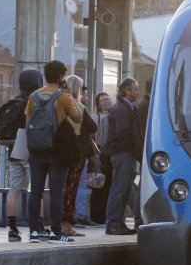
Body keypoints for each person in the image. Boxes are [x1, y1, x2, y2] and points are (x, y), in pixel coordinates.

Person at [25, 60, 82, 243]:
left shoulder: (33, 96)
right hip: (57, 150)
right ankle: (56, 233)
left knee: (36, 191)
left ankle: (34, 232)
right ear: (61, 77)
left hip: (36, 151)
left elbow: (27, 125)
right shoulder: (63, 97)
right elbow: (78, 117)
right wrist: (69, 95)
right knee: (57, 191)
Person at [0, 68, 44, 242]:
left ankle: (12, 228)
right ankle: (38, 226)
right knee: (36, 189)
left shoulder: (14, 101)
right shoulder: (34, 101)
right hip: (32, 151)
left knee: (14, 190)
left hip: (14, 151)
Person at [104, 77, 143, 235]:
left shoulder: (129, 108)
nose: (137, 92)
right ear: (128, 91)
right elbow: (123, 133)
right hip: (123, 153)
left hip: (127, 153)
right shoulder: (122, 109)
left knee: (125, 189)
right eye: (135, 89)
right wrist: (134, 149)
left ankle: (118, 222)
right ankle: (113, 222)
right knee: (119, 188)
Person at [59, 75, 97, 237]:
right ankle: (67, 225)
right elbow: (92, 126)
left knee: (60, 187)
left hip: (60, 151)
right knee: (72, 188)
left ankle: (57, 223)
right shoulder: (79, 106)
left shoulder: (59, 104)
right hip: (76, 152)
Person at [88, 92, 113, 225]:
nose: (107, 101)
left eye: (108, 99)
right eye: (103, 100)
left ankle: (105, 214)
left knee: (108, 184)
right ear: (98, 104)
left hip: (110, 153)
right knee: (98, 185)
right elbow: (91, 137)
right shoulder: (96, 117)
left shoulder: (114, 115)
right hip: (100, 153)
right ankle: (97, 215)